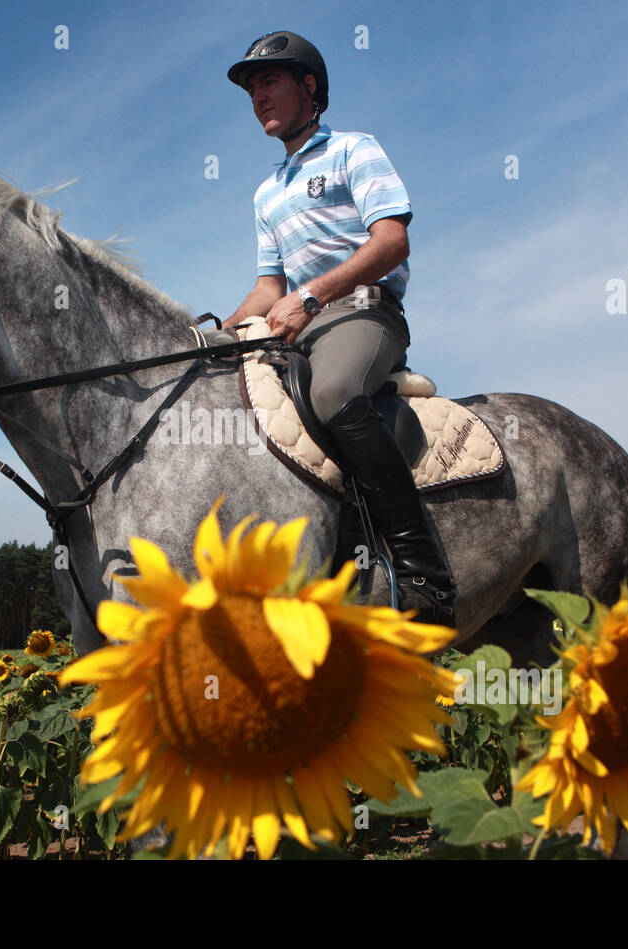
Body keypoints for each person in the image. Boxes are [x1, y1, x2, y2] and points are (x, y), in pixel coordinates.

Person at [224, 30, 456, 626]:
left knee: (332, 393)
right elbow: (268, 290)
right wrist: (217, 334)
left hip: (363, 313)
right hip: (299, 325)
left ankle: (424, 576)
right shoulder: (265, 193)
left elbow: (392, 240)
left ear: (309, 87)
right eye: (252, 88)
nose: (258, 97)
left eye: (268, 81)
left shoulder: (354, 149)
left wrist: (312, 295)